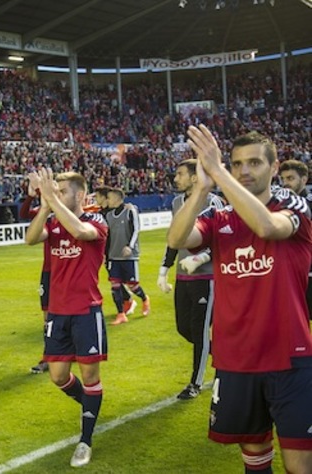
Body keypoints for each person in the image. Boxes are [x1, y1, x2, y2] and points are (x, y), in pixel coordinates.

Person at [167, 126, 312, 473]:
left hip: (290, 357)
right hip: (236, 359)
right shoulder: (220, 219)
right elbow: (178, 238)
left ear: (273, 168)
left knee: (299, 465)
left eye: (255, 163)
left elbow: (267, 227)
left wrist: (218, 173)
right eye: (236, 164)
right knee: (254, 455)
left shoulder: (291, 205)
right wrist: (202, 188)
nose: (244, 171)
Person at [25, 169, 108, 468]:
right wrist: (47, 205)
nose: (57, 194)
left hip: (86, 310)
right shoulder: (53, 220)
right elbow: (30, 238)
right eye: (55, 190)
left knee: (90, 377)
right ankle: (90, 405)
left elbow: (81, 232)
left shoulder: (96, 221)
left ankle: (85, 439)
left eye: (62, 191)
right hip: (57, 313)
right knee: (59, 376)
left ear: (81, 195)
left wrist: (50, 201)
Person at [157, 159, 224, 400]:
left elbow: (225, 240)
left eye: (180, 174)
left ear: (195, 178)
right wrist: (164, 269)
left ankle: (195, 383)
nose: (176, 178)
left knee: (199, 330)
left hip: (207, 277)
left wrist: (201, 258)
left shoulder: (213, 202)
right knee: (183, 328)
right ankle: (224, 356)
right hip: (183, 277)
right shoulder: (177, 203)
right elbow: (174, 238)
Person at [19, 172, 50, 374]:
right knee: (48, 317)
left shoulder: (65, 211)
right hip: (49, 271)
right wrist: (30, 195)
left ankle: (70, 351)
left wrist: (39, 189)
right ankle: (48, 356)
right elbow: (23, 214)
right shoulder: (45, 212)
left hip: (70, 270)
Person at [104, 188, 150, 325]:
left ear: (118, 198)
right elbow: (108, 236)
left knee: (132, 286)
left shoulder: (130, 210)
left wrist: (130, 246)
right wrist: (105, 255)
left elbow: (136, 229)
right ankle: (121, 314)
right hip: (114, 256)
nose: (108, 201)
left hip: (129, 256)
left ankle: (144, 299)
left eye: (110, 198)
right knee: (115, 285)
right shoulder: (109, 215)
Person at [279, 159, 312, 320]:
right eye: (283, 179)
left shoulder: (308, 204)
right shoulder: (281, 205)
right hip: (292, 271)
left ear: (304, 179)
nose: (285, 183)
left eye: (290, 178)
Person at [95, 186, 136, 316]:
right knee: (115, 278)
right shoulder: (102, 211)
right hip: (106, 249)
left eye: (98, 196)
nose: (96, 199)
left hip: (113, 250)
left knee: (118, 278)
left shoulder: (113, 211)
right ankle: (126, 300)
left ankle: (129, 300)